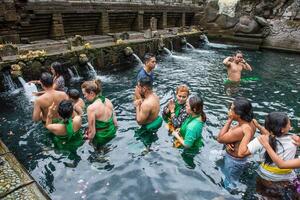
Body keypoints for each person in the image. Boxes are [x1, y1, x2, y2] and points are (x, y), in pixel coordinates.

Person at [245, 113, 298, 198]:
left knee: (265, 196)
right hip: (287, 178)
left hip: (265, 176)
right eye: (289, 124)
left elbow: (242, 153)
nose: (290, 125)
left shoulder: (261, 140)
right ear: (282, 129)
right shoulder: (294, 140)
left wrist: (248, 132)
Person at [217, 97, 256, 190]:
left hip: (233, 161)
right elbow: (234, 135)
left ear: (238, 114)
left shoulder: (241, 129)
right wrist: (228, 142)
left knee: (229, 183)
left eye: (231, 109)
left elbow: (219, 138)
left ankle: (225, 196)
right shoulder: (251, 122)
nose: (229, 110)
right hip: (241, 159)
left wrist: (229, 120)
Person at [172, 96, 206, 168]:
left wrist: (176, 135)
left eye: (187, 105)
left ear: (194, 109)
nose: (185, 106)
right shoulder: (198, 115)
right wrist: (181, 129)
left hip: (190, 151)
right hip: (196, 142)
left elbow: (187, 145)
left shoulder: (192, 127)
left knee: (186, 163)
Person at [81, 80, 117, 147]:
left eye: (84, 94)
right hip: (112, 132)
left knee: (98, 155)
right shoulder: (108, 100)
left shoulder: (91, 108)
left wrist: (87, 142)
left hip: (101, 138)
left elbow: (92, 133)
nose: (84, 97)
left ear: (91, 93)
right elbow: (116, 123)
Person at [134, 77, 162, 150]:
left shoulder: (146, 104)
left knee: (138, 148)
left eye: (138, 86)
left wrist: (137, 106)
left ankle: (146, 150)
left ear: (144, 89)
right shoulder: (155, 96)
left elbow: (139, 121)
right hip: (154, 124)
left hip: (147, 129)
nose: (137, 88)